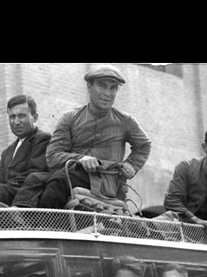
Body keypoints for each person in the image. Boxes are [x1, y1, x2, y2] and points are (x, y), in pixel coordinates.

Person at [15, 65, 152, 210]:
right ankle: (17, 215)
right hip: (74, 174)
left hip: (105, 181)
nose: (107, 93)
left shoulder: (125, 121)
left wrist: (131, 164)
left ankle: (46, 224)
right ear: (89, 87)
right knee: (35, 178)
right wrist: (80, 159)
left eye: (113, 88)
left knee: (59, 180)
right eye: (102, 86)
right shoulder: (70, 118)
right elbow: (52, 157)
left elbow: (144, 145)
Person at [0, 95, 53, 209]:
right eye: (12, 117)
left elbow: (36, 172)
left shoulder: (42, 139)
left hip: (26, 197)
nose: (16, 122)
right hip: (6, 195)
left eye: (22, 116)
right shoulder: (7, 152)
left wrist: (4, 187)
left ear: (35, 117)